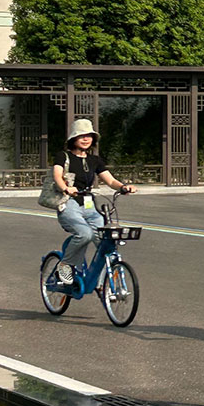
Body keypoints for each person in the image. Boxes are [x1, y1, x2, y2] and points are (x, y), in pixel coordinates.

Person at [52, 118, 137, 284]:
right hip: (69, 203)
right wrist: (65, 188)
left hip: (89, 205)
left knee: (106, 239)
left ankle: (101, 278)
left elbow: (110, 180)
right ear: (73, 139)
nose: (85, 139)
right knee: (85, 234)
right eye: (81, 135)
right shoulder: (63, 156)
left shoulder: (94, 160)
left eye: (89, 136)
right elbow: (57, 175)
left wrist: (123, 187)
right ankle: (65, 266)